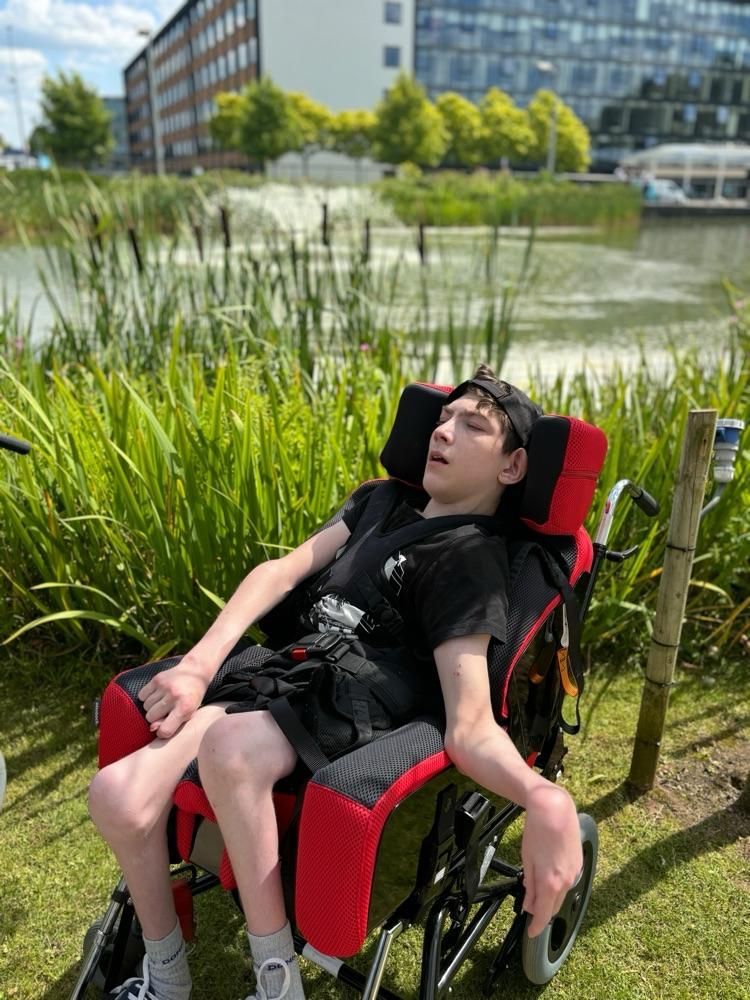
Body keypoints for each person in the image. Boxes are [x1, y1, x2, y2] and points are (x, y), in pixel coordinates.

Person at [88, 365, 583, 1000]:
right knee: (117, 798)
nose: (445, 432)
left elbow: (470, 723)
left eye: (473, 426)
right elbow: (285, 569)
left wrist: (545, 797)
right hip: (285, 675)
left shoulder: (469, 558)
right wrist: (196, 667)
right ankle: (167, 976)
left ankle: (278, 983)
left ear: (512, 468)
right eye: (442, 418)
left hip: (359, 704)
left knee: (230, 750)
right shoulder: (379, 504)